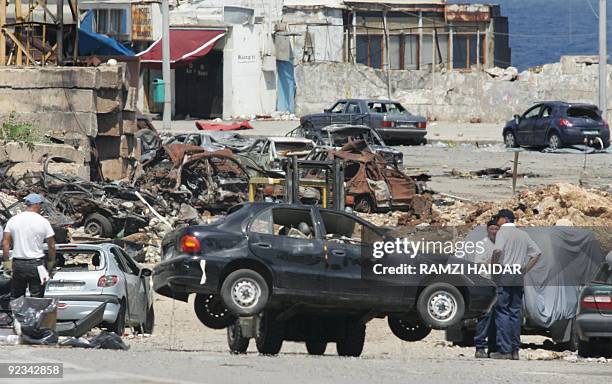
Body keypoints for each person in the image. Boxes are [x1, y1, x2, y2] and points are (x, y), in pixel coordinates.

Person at [489, 209, 541, 360]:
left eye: (498, 219)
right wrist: (525, 270)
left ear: (505, 219)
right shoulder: (523, 234)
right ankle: (515, 350)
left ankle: (504, 350)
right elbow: (537, 253)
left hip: (505, 273)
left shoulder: (502, 233)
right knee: (515, 312)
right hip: (518, 275)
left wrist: (494, 268)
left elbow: (498, 251)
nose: (497, 222)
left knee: (502, 311)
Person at [2, 193, 56, 299]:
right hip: (37, 265)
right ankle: (34, 315)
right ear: (37, 205)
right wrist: (51, 263)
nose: (41, 207)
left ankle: (18, 315)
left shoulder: (13, 220)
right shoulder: (43, 221)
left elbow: (5, 243)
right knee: (36, 299)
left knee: (17, 299)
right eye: (40, 204)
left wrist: (7, 264)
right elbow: (52, 245)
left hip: (18, 264)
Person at [474, 219, 499, 358]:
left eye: (496, 229)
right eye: (492, 229)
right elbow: (479, 265)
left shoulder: (501, 245)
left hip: (498, 284)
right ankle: (480, 346)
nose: (494, 232)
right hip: (486, 283)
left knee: (497, 317)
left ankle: (493, 347)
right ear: (487, 230)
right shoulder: (482, 245)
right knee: (485, 316)